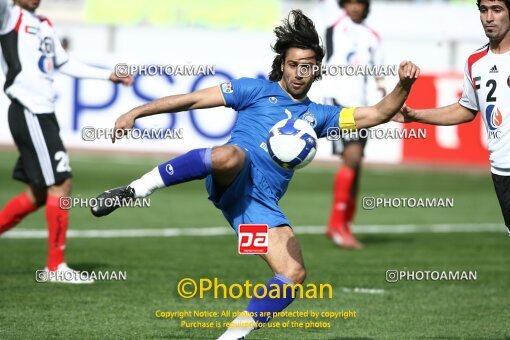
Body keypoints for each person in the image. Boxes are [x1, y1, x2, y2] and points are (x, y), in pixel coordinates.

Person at [92, 10, 419, 339]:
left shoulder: (320, 116)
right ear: (283, 64)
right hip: (231, 174)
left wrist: (403, 84)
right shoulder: (254, 91)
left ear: (317, 69)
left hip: (258, 205)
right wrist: (135, 112)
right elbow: (191, 99)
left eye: (307, 66)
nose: (299, 73)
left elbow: (378, 113)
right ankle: (137, 190)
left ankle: (230, 338)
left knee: (293, 273)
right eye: (293, 65)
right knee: (230, 155)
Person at [0, 0, 133, 283]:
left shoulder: (45, 24)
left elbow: (65, 63)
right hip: (28, 109)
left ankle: (55, 266)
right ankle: (55, 267)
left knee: (38, 194)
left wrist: (107, 74)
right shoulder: (9, 15)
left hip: (44, 114)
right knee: (61, 184)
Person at [394, 0, 510, 234]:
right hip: (501, 170)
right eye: (483, 9)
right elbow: (466, 110)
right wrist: (415, 115)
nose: (488, 17)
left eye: (497, 10)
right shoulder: (475, 62)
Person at [322, 0, 386, 249]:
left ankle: (342, 224)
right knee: (352, 156)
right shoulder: (334, 27)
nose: (355, 7)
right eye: (350, 2)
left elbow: (378, 69)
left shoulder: (373, 36)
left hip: (362, 105)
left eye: (359, 2)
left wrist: (382, 88)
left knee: (356, 164)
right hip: (338, 102)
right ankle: (338, 225)